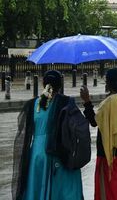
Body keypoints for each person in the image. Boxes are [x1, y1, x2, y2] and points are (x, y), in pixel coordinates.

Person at [12, 70, 84, 200]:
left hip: (36, 154)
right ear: (61, 85)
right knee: (60, 189)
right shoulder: (66, 103)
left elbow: (25, 134)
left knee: (37, 189)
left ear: (42, 84)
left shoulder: (32, 104)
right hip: (56, 151)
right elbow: (80, 128)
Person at [80, 68, 117, 200]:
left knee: (110, 191)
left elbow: (94, 122)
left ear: (109, 83)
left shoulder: (109, 102)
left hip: (110, 156)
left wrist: (86, 101)